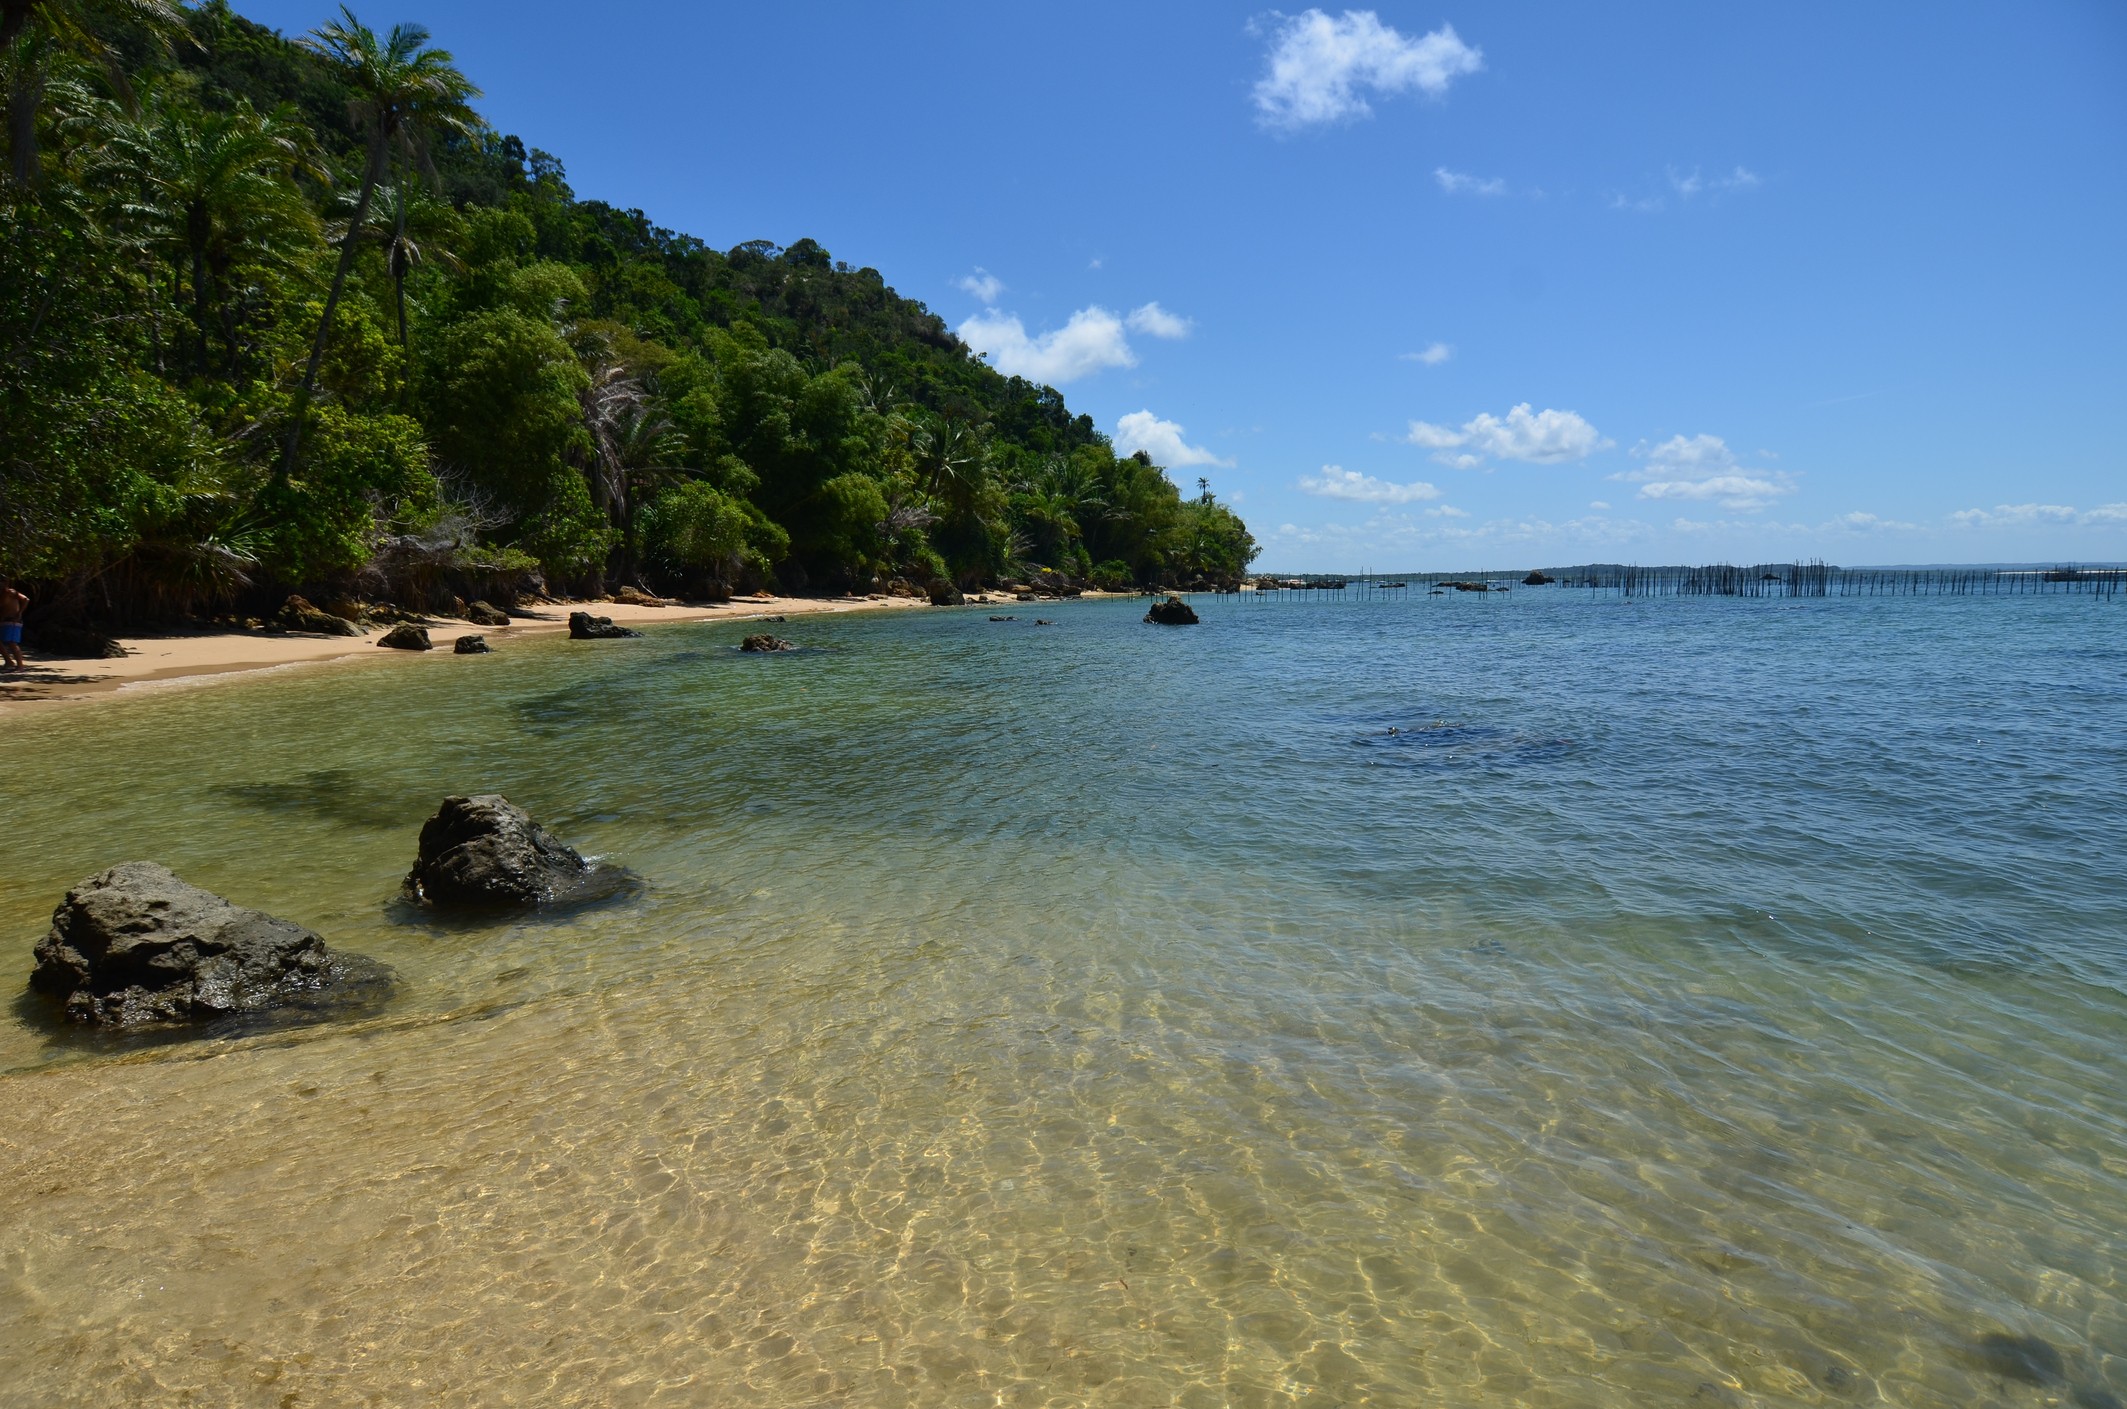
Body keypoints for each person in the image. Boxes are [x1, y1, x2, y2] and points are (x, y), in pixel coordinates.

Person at [0, 580, 26, 669]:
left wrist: (19, 613)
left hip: (12, 620)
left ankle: (20, 666)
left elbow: (26, 599)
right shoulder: (2, 594)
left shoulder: (10, 592)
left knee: (12, 643)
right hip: (4, 621)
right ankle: (9, 661)